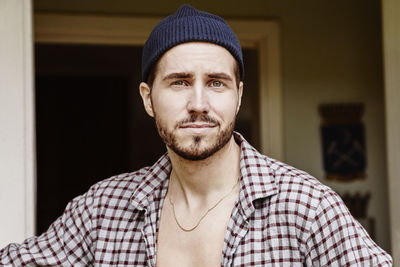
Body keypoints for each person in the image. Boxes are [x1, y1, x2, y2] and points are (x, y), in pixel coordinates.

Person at [0, 4, 393, 267]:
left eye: (217, 83)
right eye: (179, 82)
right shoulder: (101, 210)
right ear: (148, 98)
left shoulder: (308, 207)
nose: (199, 103)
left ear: (238, 96)